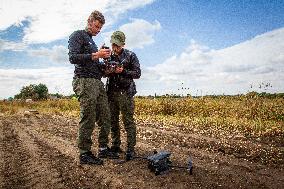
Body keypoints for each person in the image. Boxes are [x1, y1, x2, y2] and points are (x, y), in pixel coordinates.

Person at [68, 10, 119, 165]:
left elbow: (95, 67)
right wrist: (97, 55)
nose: (98, 30)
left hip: (97, 82)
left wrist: (108, 69)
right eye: (96, 26)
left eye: (100, 28)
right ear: (89, 21)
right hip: (84, 81)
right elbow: (73, 57)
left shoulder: (93, 42)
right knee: (88, 116)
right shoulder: (77, 35)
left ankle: (103, 149)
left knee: (105, 116)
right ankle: (84, 153)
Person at [105, 31, 141, 161]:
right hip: (111, 94)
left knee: (128, 121)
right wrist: (109, 70)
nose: (115, 48)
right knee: (112, 121)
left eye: (118, 45)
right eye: (113, 44)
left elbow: (137, 73)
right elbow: (104, 73)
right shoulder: (108, 56)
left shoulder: (131, 55)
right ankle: (115, 145)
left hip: (126, 93)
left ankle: (131, 149)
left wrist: (123, 71)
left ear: (123, 44)